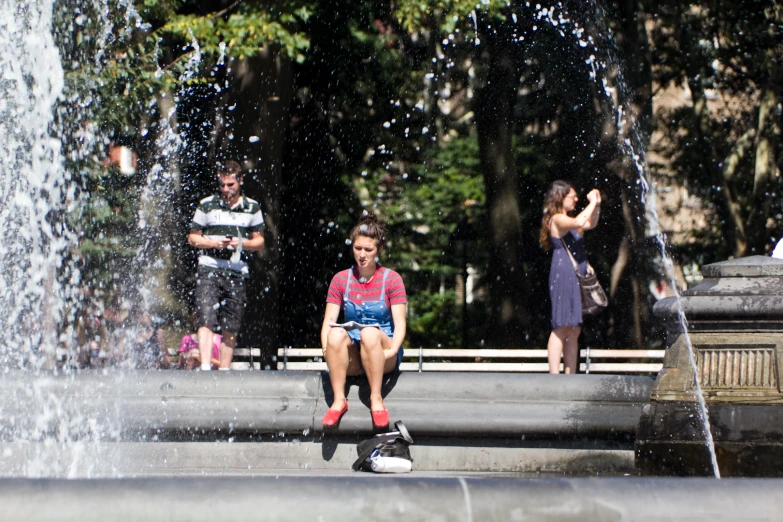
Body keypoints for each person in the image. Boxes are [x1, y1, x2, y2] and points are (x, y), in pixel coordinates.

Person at [320, 212, 407, 429]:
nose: (362, 254)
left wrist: (393, 349)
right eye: (358, 248)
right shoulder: (340, 279)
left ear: (379, 251)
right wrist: (326, 349)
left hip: (382, 351)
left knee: (369, 332)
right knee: (336, 332)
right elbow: (329, 320)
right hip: (354, 354)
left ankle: (376, 399)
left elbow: (400, 323)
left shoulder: (392, 279)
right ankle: (339, 400)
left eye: (368, 249)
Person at [187, 160, 265, 370]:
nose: (226, 189)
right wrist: (213, 242)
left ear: (240, 180)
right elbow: (193, 238)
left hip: (237, 271)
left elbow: (259, 241)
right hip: (209, 267)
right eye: (222, 184)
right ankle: (204, 367)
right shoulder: (207, 204)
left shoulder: (252, 207)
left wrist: (239, 243)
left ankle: (223, 370)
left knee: (232, 323)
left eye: (230, 185)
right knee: (206, 317)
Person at [539, 180, 601, 374]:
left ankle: (570, 374)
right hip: (563, 273)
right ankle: (554, 375)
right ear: (560, 197)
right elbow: (579, 222)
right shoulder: (557, 219)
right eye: (572, 196)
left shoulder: (568, 219)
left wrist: (597, 204)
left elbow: (590, 223)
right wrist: (591, 203)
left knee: (574, 329)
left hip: (575, 275)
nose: (576, 198)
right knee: (562, 326)